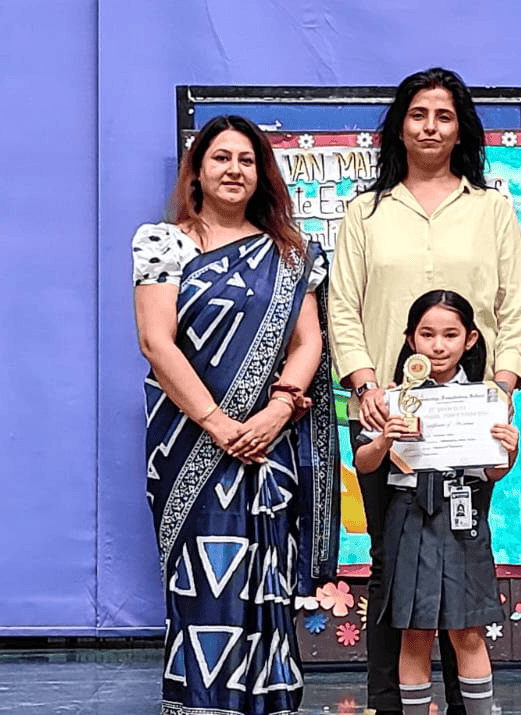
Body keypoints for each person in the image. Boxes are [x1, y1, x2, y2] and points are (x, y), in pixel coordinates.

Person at [327, 67, 521, 715]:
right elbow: (342, 309)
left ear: (461, 127)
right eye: (418, 114)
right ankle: (394, 703)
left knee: (459, 559)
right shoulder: (366, 211)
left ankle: (467, 701)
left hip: (472, 417)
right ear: (400, 125)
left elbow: (516, 307)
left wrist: (499, 392)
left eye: (444, 116)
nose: (430, 127)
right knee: (395, 564)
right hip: (391, 413)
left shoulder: (493, 207)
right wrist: (364, 385)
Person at [132, 114, 338, 715]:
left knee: (262, 582)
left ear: (262, 174)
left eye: (246, 160)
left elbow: (308, 341)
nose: (234, 170)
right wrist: (220, 425)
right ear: (197, 170)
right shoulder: (162, 242)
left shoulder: (290, 253)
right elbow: (156, 343)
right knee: (203, 583)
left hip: (268, 448)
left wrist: (277, 410)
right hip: (189, 444)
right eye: (220, 158)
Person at [352, 290, 517, 715]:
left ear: (471, 340)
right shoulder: (392, 398)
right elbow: (364, 462)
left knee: (468, 631)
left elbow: (495, 471)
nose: (438, 345)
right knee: (414, 631)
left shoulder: (485, 400)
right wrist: (386, 436)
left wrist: (509, 451)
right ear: (410, 340)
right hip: (409, 518)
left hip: (463, 519)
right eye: (427, 334)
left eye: (450, 334)